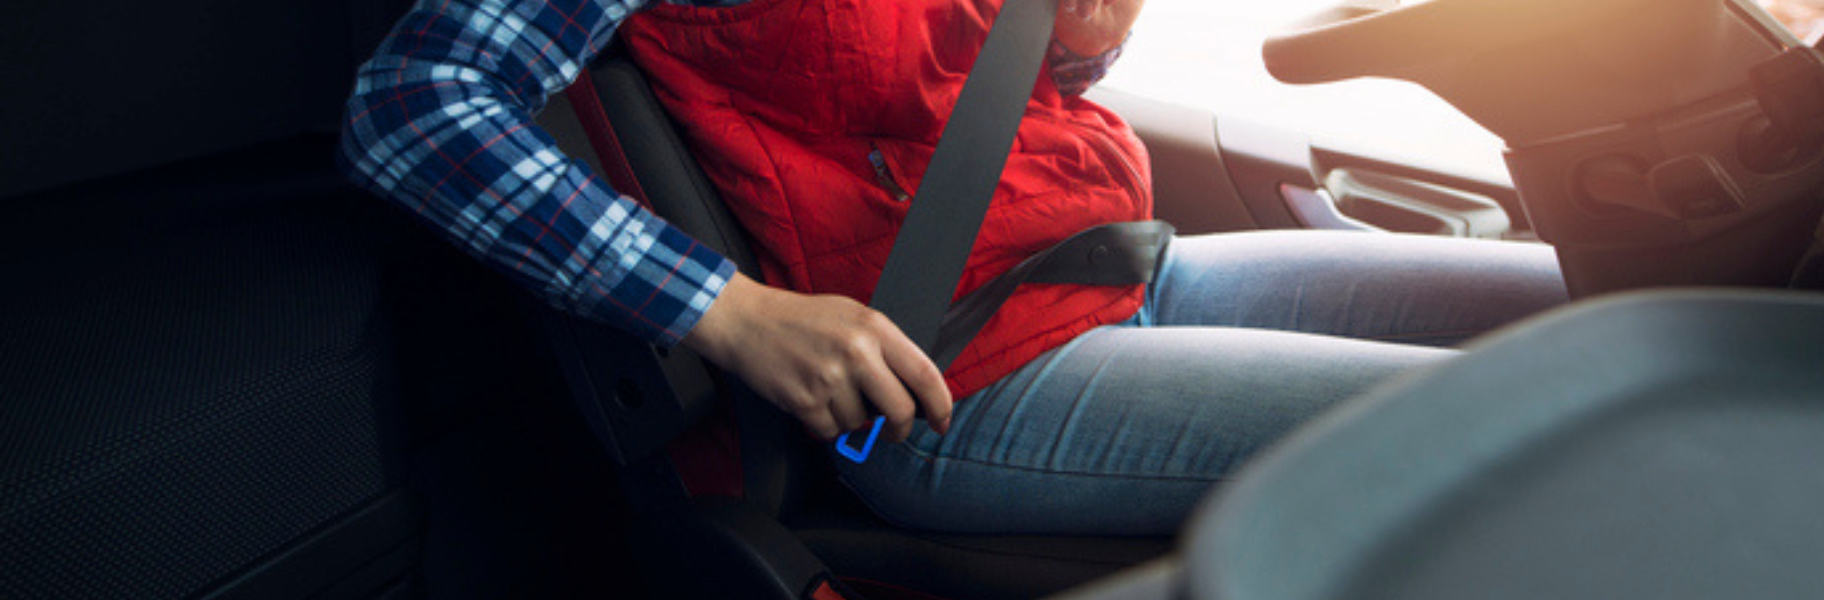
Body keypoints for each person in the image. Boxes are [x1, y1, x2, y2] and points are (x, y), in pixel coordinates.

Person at [340, 0, 1567, 535]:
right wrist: (730, 310)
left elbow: (951, 106)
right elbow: (411, 104)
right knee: (1538, 430)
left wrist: (1081, 43)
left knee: (1584, 312)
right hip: (954, 377)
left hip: (1113, 271)